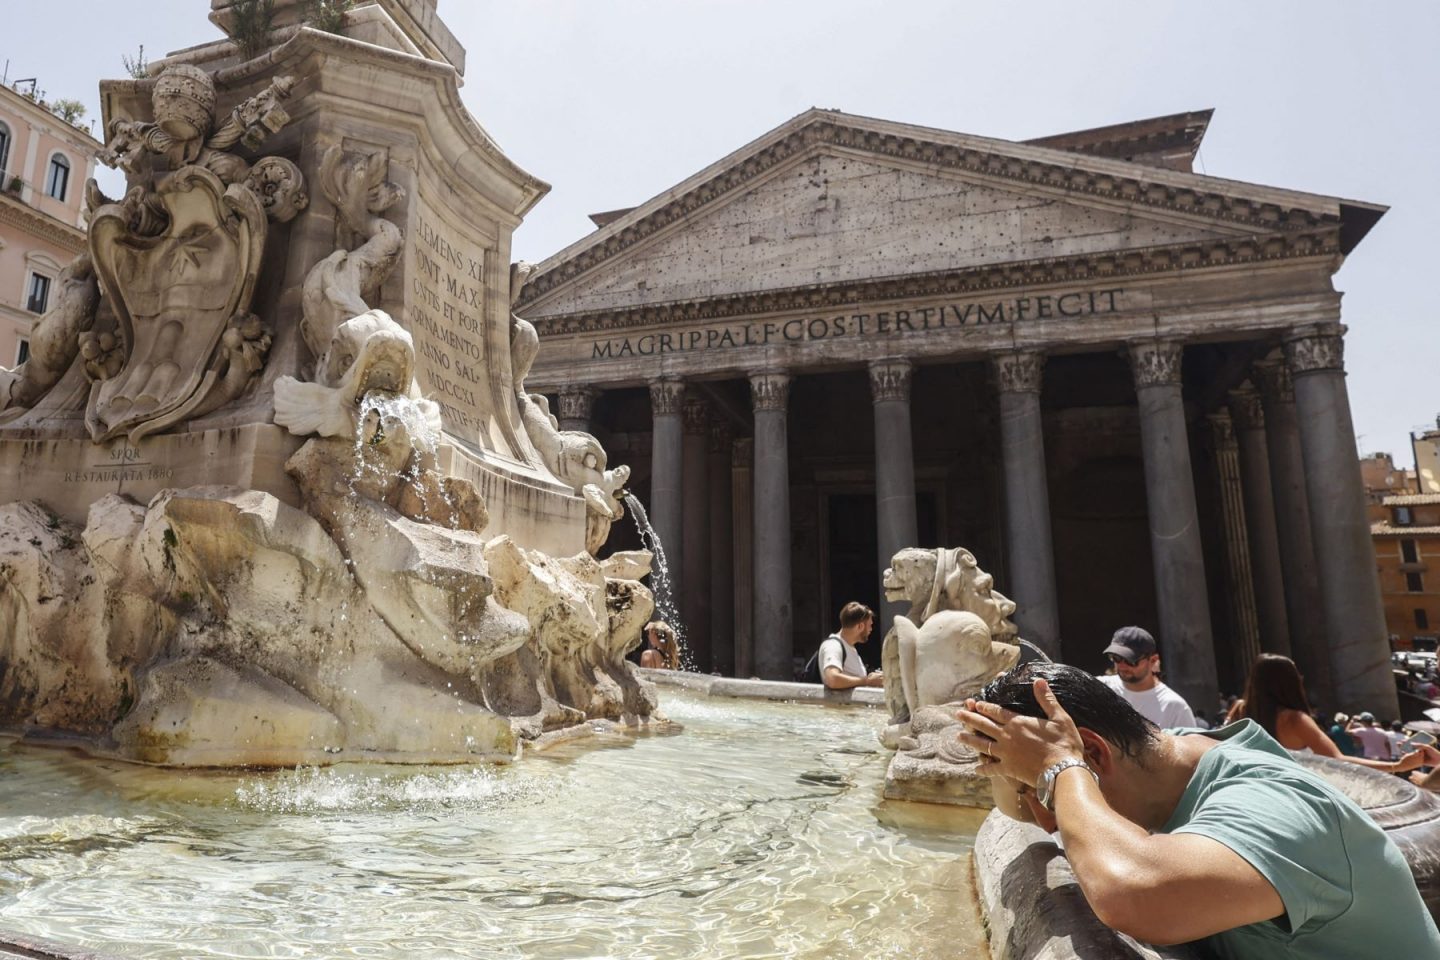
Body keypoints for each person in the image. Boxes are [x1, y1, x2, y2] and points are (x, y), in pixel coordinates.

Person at [955, 662, 1440, 955]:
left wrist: (1059, 768)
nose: (1050, 821)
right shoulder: (1172, 756)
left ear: (1094, 754)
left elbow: (1136, 896)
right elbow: (1023, 816)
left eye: (1045, 798)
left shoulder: (1270, 805)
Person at [1227, 654, 1422, 775]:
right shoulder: (1295, 720)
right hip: (1295, 799)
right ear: (1288, 682)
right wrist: (1397, 766)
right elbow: (1337, 759)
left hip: (1254, 796)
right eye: (1297, 674)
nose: (1301, 678)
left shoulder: (1240, 709)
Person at [1097, 626, 1196, 728]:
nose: (1122, 666)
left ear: (1153, 660)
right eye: (1116, 658)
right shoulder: (1100, 688)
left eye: (1130, 660)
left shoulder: (1175, 708)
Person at [819, 602, 883, 690]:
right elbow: (832, 679)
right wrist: (867, 681)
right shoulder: (833, 646)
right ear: (860, 626)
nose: (871, 630)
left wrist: (870, 677)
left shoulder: (849, 647)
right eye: (870, 625)